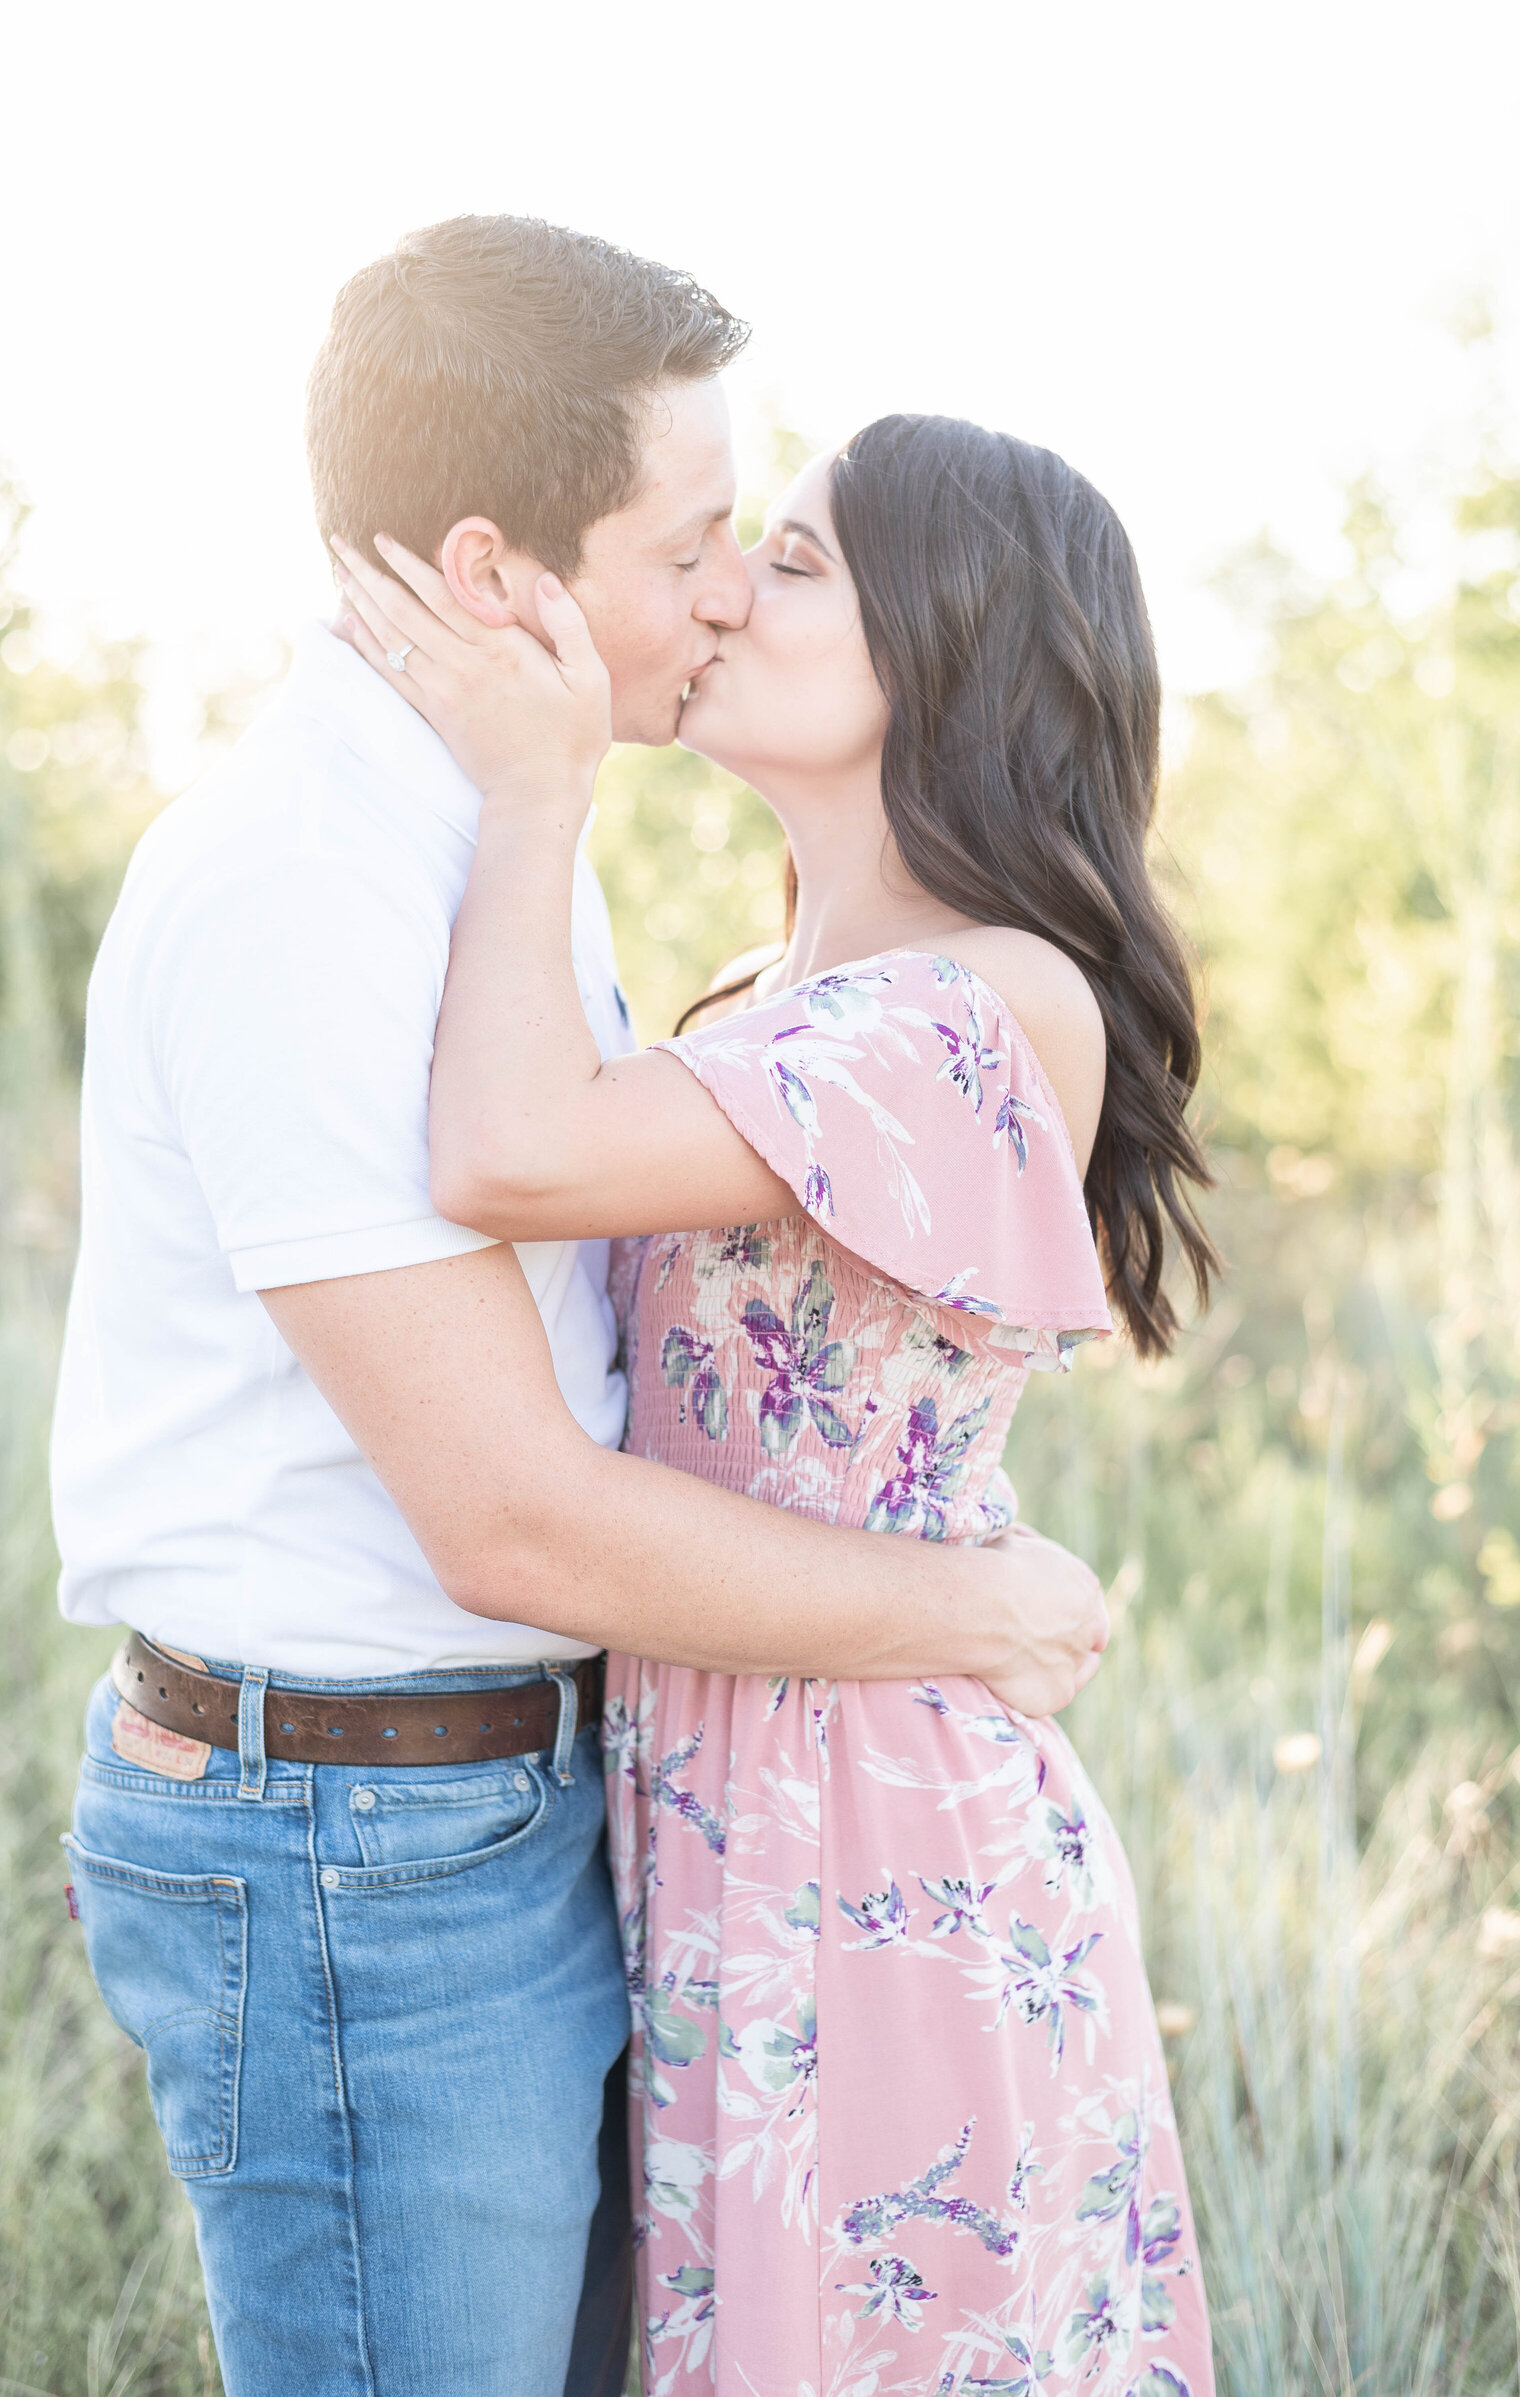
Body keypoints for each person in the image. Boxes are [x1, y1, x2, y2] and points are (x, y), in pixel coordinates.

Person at [52, 219, 1108, 2397]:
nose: (723, 591)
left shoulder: (507, 833)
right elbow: (512, 1507)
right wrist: (968, 1609)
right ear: (496, 565)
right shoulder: (319, 879)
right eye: (704, 540)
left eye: (771, 553)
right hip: (361, 1833)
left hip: (590, 1800)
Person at [330, 410, 1220, 2394]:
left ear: (953, 642)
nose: (724, 585)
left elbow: (505, 1152)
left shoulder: (983, 1001)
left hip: (870, 1828)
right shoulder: (755, 992)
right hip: (705, 1784)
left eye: (796, 559)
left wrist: (535, 784)